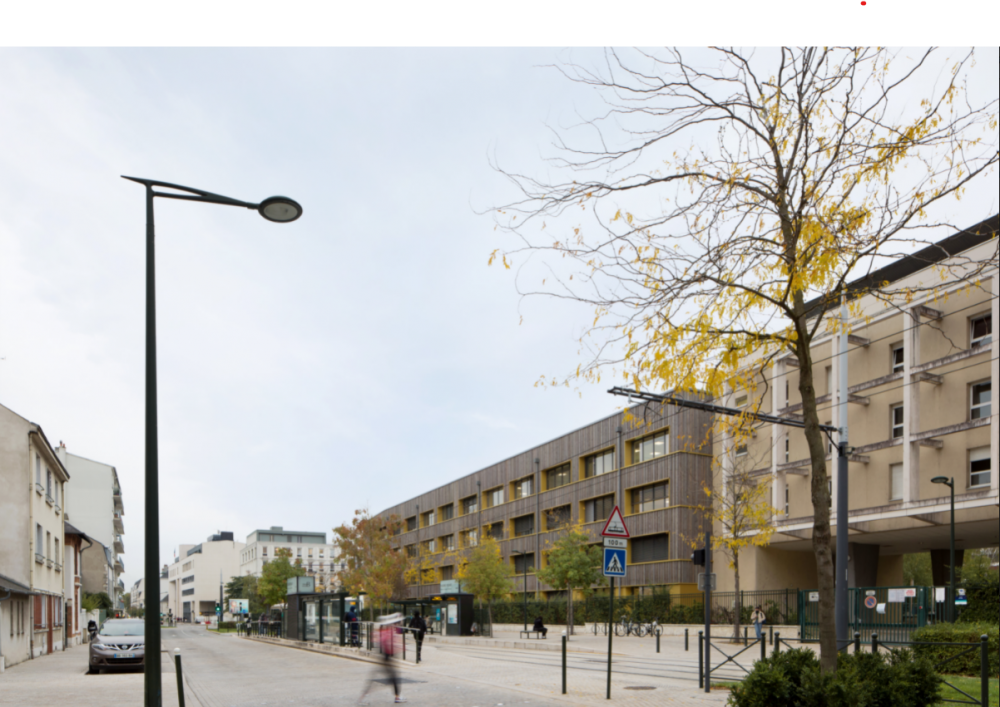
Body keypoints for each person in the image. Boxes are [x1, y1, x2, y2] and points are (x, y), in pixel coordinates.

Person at [360, 614, 405, 704]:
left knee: (390, 677)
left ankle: (397, 696)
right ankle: (362, 698)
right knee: (392, 677)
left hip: (385, 658)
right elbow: (388, 643)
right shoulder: (388, 631)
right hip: (386, 659)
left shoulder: (384, 631)